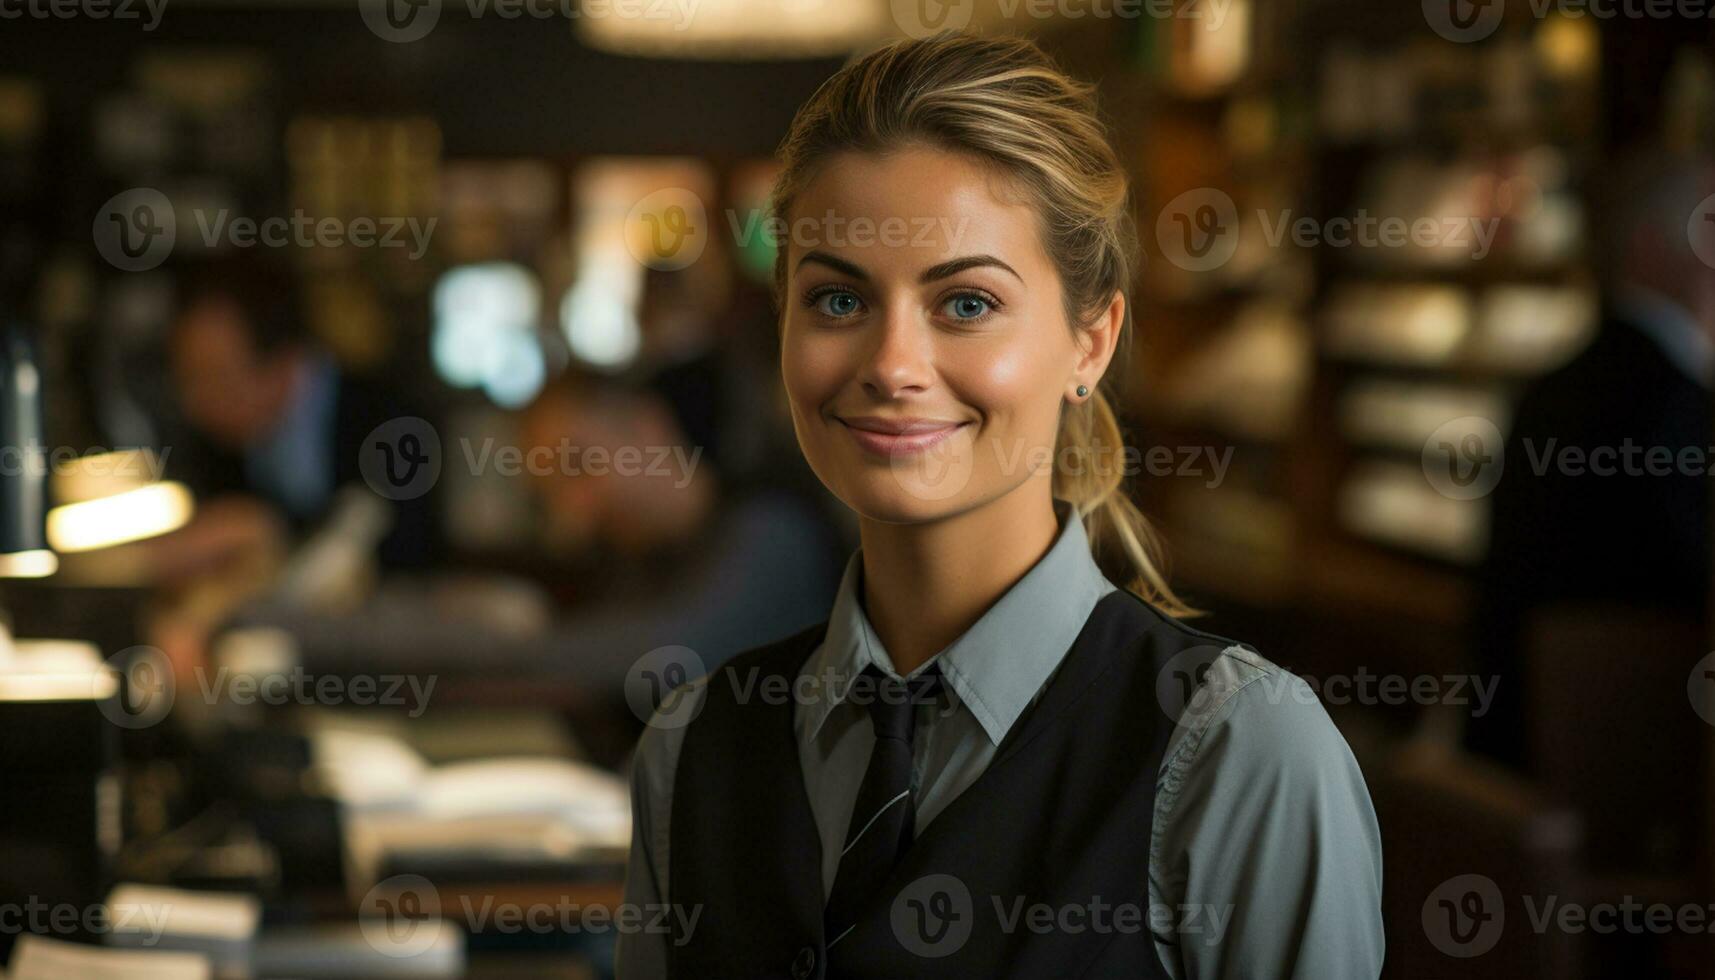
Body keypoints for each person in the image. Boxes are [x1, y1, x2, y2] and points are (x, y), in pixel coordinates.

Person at [616, 33, 1384, 979]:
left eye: (968, 303)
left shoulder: (1241, 752)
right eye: (837, 302)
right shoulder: (690, 748)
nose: (892, 366)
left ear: (1089, 342)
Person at [1468, 149, 1714, 771]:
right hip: (1639, 774)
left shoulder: (1549, 391)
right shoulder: (1680, 405)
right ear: (1655, 246)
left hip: (1520, 753)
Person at [160, 253, 440, 572]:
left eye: (216, 377)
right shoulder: (213, 447)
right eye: (187, 380)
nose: (196, 402)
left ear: (286, 362)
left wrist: (272, 530)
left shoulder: (389, 421)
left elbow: (410, 556)